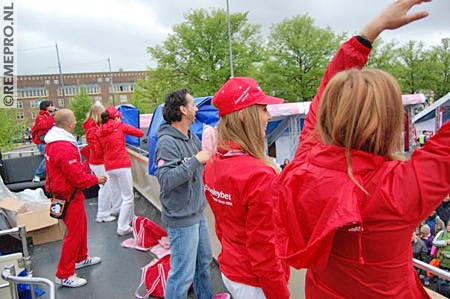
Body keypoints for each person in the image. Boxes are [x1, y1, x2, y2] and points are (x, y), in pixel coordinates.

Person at [273, 1, 445, 298]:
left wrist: (367, 34)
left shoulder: (304, 168)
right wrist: (369, 32)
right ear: (391, 124)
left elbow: (323, 98)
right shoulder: (400, 188)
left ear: (329, 114)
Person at [203, 78, 290, 299]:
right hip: (256, 283)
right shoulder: (259, 175)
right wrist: (280, 294)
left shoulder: (214, 162)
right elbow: (265, 249)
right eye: (264, 109)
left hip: (232, 269)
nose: (268, 116)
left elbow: (222, 226)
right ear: (244, 115)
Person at [154, 89, 229, 299]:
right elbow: (166, 180)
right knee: (182, 275)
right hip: (181, 219)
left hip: (196, 213)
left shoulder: (189, 136)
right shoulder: (167, 142)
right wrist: (196, 160)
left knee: (202, 263)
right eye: (193, 105)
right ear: (183, 110)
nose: (196, 109)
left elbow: (202, 162)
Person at [44, 109, 107, 287]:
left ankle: (81, 258)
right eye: (74, 121)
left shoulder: (53, 143)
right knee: (73, 234)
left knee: (80, 228)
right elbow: (77, 178)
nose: (76, 123)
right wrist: (96, 179)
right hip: (69, 195)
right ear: (69, 124)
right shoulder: (63, 147)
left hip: (63, 194)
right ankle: (64, 274)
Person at [97, 106, 144, 235]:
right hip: (122, 164)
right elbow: (139, 133)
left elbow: (99, 151)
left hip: (109, 166)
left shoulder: (99, 131)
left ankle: (129, 218)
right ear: (116, 117)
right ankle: (122, 226)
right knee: (128, 197)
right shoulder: (120, 126)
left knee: (118, 193)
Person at [82, 102, 115, 223]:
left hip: (97, 161)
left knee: (106, 187)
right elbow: (97, 147)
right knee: (105, 187)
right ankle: (102, 214)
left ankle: (104, 211)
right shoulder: (93, 129)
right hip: (99, 161)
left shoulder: (91, 127)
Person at [31, 100, 55, 182]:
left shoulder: (49, 116)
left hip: (49, 141)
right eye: (50, 105)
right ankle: (37, 174)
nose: (52, 107)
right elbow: (44, 126)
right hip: (42, 142)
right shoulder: (40, 117)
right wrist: (51, 117)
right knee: (48, 156)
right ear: (45, 107)